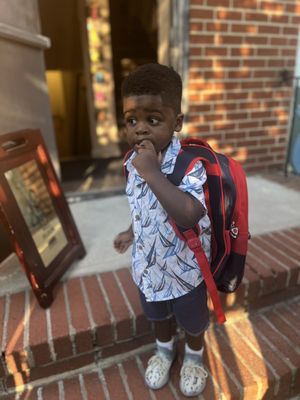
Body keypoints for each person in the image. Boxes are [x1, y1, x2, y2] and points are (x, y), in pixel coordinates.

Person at [113, 63, 211, 397]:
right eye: (131, 120)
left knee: (193, 320)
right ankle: (165, 349)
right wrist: (131, 231)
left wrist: (154, 173)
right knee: (156, 314)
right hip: (148, 266)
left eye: (153, 120)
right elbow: (141, 205)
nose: (139, 130)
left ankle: (195, 356)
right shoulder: (132, 162)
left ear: (177, 122)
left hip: (184, 270)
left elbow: (189, 214)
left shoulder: (188, 166)